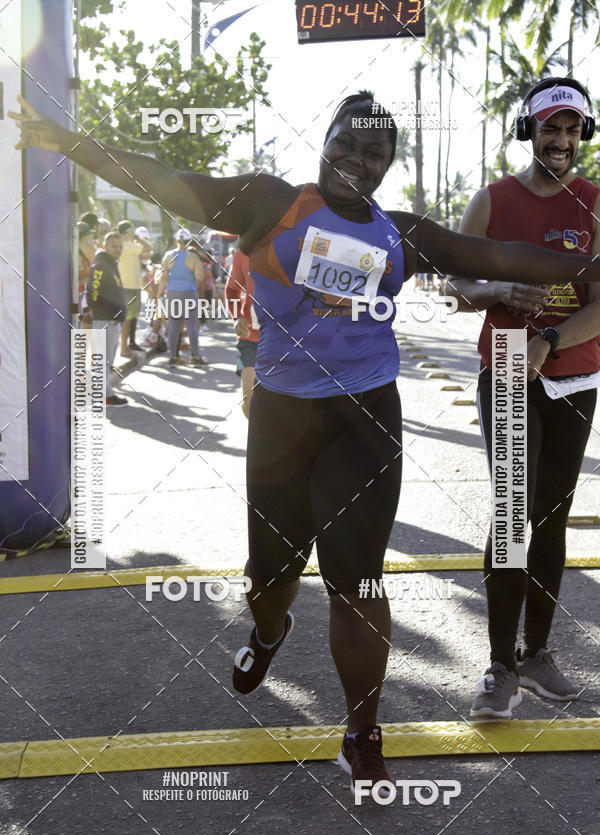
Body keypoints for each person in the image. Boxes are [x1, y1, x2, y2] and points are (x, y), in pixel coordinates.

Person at [13, 89, 600, 797]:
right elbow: (159, 178)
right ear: (324, 142)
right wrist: (66, 141)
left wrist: (580, 270)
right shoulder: (269, 203)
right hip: (284, 423)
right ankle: (267, 634)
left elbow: (500, 253)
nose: (358, 159)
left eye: (374, 152)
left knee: (360, 579)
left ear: (388, 165)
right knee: (270, 580)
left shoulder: (399, 233)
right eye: (346, 144)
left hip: (367, 421)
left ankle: (362, 732)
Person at [445, 77, 600, 719]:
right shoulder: (492, 200)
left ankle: (538, 657)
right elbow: (455, 279)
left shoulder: (596, 204)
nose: (560, 141)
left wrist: (552, 339)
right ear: (528, 132)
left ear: (582, 136)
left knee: (553, 517)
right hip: (506, 366)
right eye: (549, 128)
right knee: (511, 519)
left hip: (575, 372)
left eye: (571, 130)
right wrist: (496, 293)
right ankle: (500, 666)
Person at [85, 231, 128, 407]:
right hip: (105, 319)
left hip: (112, 319)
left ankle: (103, 392)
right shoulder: (101, 264)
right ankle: (104, 395)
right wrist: (100, 312)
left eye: (120, 246)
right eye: (114, 246)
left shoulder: (110, 263)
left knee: (106, 360)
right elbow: (92, 292)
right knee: (102, 360)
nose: (117, 249)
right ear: (105, 246)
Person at [157, 228, 207, 367]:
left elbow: (163, 278)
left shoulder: (168, 256)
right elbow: (200, 278)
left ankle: (173, 357)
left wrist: (157, 296)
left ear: (176, 240)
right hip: (189, 293)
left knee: (173, 325)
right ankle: (195, 356)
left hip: (172, 293)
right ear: (190, 240)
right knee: (192, 326)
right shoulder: (193, 257)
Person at [225, 248, 259, 418]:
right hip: (251, 337)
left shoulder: (291, 242)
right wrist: (237, 317)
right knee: (249, 403)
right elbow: (232, 290)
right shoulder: (244, 252)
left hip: (285, 340)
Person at [117, 219, 152, 356]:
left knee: (131, 318)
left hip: (132, 286)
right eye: (131, 230)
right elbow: (148, 246)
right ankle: (124, 349)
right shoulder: (126, 245)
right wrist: (137, 238)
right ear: (126, 232)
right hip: (128, 286)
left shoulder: (128, 244)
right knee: (127, 318)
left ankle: (128, 346)